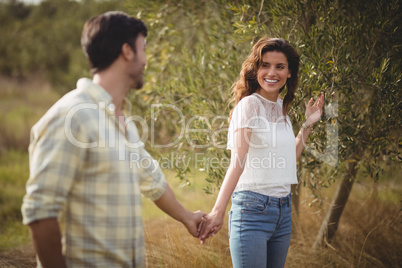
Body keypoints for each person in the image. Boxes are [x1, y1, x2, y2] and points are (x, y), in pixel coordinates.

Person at [21, 11, 206, 268]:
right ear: (127, 51)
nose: (146, 60)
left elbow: (151, 180)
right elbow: (41, 213)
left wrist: (187, 217)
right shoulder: (72, 117)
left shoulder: (124, 124)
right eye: (143, 49)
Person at [198, 38, 324, 268]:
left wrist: (308, 124)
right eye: (265, 65)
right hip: (252, 210)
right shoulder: (249, 106)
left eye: (279, 66)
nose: (271, 72)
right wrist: (218, 211)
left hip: (283, 213)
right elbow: (237, 161)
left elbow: (287, 161)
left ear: (289, 73)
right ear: (256, 69)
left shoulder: (280, 109)